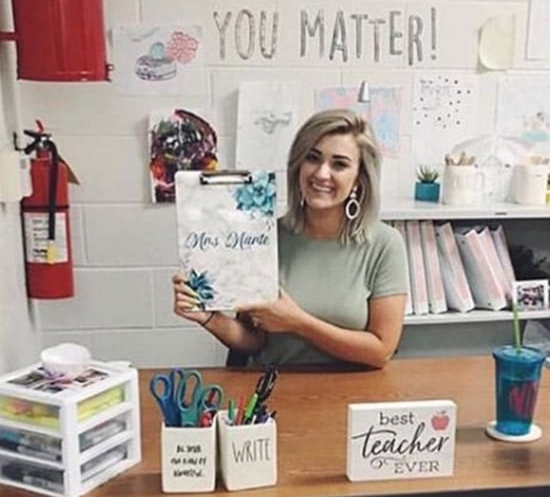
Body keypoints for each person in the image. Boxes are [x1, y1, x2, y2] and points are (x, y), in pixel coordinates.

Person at [173, 109, 408, 367]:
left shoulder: (385, 245)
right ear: (298, 165)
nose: (321, 173)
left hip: (352, 396)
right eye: (313, 158)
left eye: (339, 164)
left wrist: (297, 322)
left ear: (358, 181)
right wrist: (208, 317)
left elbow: (381, 351)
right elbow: (253, 342)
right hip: (273, 392)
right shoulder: (262, 237)